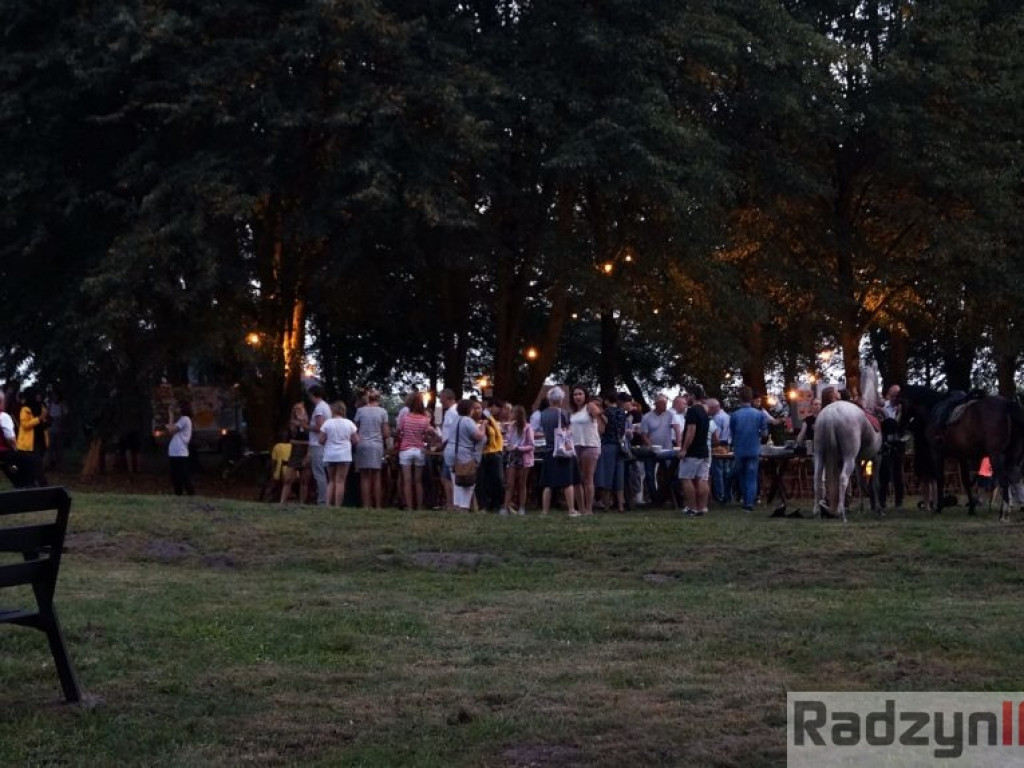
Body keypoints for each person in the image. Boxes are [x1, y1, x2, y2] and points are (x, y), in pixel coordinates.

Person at [539, 386, 578, 516]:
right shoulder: (563, 413)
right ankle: (571, 509)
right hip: (562, 450)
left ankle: (545, 510)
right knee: (567, 482)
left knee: (548, 483)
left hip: (549, 449)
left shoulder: (543, 414)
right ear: (560, 399)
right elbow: (568, 430)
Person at [396, 392, 437, 511]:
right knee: (418, 481)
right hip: (419, 450)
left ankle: (409, 506)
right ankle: (419, 506)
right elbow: (428, 435)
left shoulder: (405, 418)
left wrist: (402, 435)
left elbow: (398, 432)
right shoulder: (424, 419)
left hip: (406, 450)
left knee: (407, 480)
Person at [729, 386, 768, 512]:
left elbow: (733, 433)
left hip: (739, 448)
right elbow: (764, 434)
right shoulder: (759, 414)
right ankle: (749, 503)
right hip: (754, 448)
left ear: (740, 398)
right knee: (752, 476)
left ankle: (744, 499)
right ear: (751, 398)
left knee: (741, 475)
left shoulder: (734, 415)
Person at [569, 386, 605, 515]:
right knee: (577, 479)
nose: (577, 397)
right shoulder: (573, 412)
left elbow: (602, 421)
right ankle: (581, 508)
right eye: (575, 394)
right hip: (575, 446)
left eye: (580, 394)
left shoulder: (589, 406)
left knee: (588, 478)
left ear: (585, 396)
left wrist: (598, 413)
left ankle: (589, 509)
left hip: (590, 445)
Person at [445, 399, 485, 511]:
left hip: (450, 452)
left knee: (456, 480)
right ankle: (464, 506)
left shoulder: (455, 420)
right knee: (468, 481)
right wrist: (483, 426)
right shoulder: (468, 421)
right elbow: (479, 436)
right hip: (463, 454)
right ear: (470, 409)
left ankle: (457, 505)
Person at [678, 385, 711, 516]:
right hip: (704, 449)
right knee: (702, 478)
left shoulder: (692, 411)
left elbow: (691, 431)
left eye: (688, 395)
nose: (686, 398)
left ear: (692, 396)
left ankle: (692, 507)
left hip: (693, 451)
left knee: (686, 478)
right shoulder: (704, 411)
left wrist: (684, 449)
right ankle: (702, 507)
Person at [354, 389, 390, 509]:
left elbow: (355, 429)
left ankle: (366, 505)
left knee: (364, 476)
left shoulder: (360, 411)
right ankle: (378, 506)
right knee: (376, 476)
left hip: (362, 444)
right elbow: (386, 433)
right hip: (376, 445)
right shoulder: (383, 412)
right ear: (379, 399)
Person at [320, 401, 359, 507]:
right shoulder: (349, 423)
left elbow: (321, 440)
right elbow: (356, 440)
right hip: (344, 455)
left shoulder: (327, 423)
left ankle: (328, 504)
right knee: (340, 481)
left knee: (331, 480)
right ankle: (338, 505)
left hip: (330, 454)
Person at [595, 391, 627, 513]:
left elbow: (602, 430)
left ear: (606, 400)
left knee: (606, 475)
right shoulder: (622, 412)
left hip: (607, 445)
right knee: (619, 476)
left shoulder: (605, 412)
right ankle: (620, 505)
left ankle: (606, 504)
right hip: (620, 446)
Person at [502, 405, 534, 515]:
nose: (510, 414)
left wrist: (518, 448)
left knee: (522, 483)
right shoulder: (511, 427)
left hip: (523, 458)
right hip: (512, 457)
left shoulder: (528, 428)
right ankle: (506, 507)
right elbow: (508, 440)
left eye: (512, 412)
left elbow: (531, 445)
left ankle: (522, 508)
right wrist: (506, 445)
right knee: (509, 483)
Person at [0, 390, 37, 487]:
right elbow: (10, 439)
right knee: (26, 463)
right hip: (4, 453)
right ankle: (25, 486)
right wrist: (16, 449)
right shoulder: (3, 416)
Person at [476, 400, 506, 513]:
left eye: (479, 408)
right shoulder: (482, 420)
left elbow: (497, 434)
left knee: (497, 480)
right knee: (486, 481)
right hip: (486, 453)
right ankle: (486, 504)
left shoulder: (490, 418)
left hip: (495, 451)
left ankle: (497, 503)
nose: (499, 411)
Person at [16, 388, 49, 486]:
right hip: (29, 442)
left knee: (37, 463)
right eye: (37, 395)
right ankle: (42, 484)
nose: (39, 397)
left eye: (40, 395)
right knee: (36, 464)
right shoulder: (25, 409)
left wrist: (45, 421)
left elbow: (44, 421)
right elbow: (25, 425)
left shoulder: (41, 406)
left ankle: (32, 483)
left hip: (40, 440)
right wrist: (39, 418)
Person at [279, 402, 311, 504]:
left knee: (304, 481)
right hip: (295, 453)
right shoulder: (292, 424)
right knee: (288, 479)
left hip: (306, 452)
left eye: (300, 409)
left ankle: (302, 503)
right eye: (296, 409)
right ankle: (282, 502)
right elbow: (290, 440)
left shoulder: (309, 424)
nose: (298, 411)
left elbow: (311, 441)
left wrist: (299, 442)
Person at [306, 385, 332, 505]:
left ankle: (322, 500)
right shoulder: (326, 406)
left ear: (312, 394)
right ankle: (325, 498)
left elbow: (319, 427)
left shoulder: (319, 408)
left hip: (317, 444)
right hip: (324, 444)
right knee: (323, 472)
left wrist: (305, 426)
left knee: (319, 473)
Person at [166, 401, 195, 496]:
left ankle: (190, 492)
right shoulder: (181, 420)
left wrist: (170, 415)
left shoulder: (185, 419)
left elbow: (171, 430)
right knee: (175, 476)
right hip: (175, 452)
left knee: (183, 475)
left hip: (180, 452)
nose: (176, 410)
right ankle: (178, 493)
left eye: (178, 408)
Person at [438, 388, 460, 510]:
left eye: (442, 398)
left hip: (450, 447)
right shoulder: (452, 411)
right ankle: (452, 503)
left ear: (448, 398)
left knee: (447, 477)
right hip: (449, 447)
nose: (440, 401)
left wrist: (443, 444)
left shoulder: (452, 412)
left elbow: (452, 432)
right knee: (447, 477)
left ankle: (452, 503)